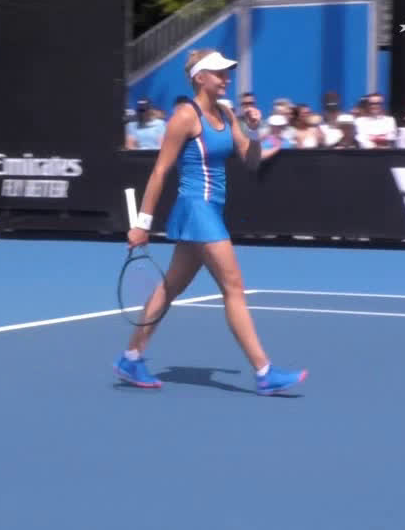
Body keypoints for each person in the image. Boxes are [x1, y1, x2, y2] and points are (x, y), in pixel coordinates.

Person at [114, 49, 308, 396]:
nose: (226, 78)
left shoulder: (227, 113)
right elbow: (160, 171)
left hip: (211, 211)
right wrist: (142, 224)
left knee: (169, 287)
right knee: (233, 287)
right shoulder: (184, 117)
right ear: (200, 78)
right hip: (196, 208)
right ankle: (264, 372)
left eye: (226, 72)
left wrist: (254, 129)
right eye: (219, 73)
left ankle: (131, 357)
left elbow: (251, 160)